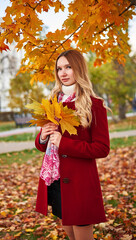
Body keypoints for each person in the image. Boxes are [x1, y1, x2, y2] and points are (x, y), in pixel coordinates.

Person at [35, 49, 110, 240]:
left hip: (80, 183)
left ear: (79, 69)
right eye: (59, 68)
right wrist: (43, 136)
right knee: (70, 234)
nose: (63, 73)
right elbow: (44, 145)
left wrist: (64, 143)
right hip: (57, 180)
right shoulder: (53, 103)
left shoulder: (94, 105)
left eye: (68, 67)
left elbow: (102, 148)